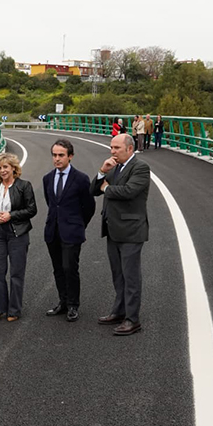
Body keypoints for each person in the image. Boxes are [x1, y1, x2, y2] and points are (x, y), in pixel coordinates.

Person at [92, 134, 151, 336]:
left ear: (129, 148)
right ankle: (119, 311)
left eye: (116, 148)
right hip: (113, 229)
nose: (112, 151)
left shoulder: (140, 168)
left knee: (131, 276)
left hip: (131, 231)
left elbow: (129, 191)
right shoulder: (115, 167)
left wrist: (107, 188)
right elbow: (94, 190)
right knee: (118, 275)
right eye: (111, 147)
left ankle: (132, 319)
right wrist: (102, 172)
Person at [42, 139, 95, 321]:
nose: (57, 159)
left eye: (61, 155)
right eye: (54, 155)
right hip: (53, 231)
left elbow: (89, 206)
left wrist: (78, 224)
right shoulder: (47, 178)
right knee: (58, 269)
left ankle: (73, 304)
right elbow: (51, 204)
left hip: (72, 232)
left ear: (70, 156)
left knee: (69, 268)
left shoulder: (81, 179)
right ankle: (63, 302)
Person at [0, 153, 37, 322]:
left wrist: (11, 215)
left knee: (16, 272)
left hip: (17, 232)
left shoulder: (24, 186)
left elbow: (32, 209)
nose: (2, 171)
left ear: (14, 168)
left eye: (6, 167)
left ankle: (14, 310)